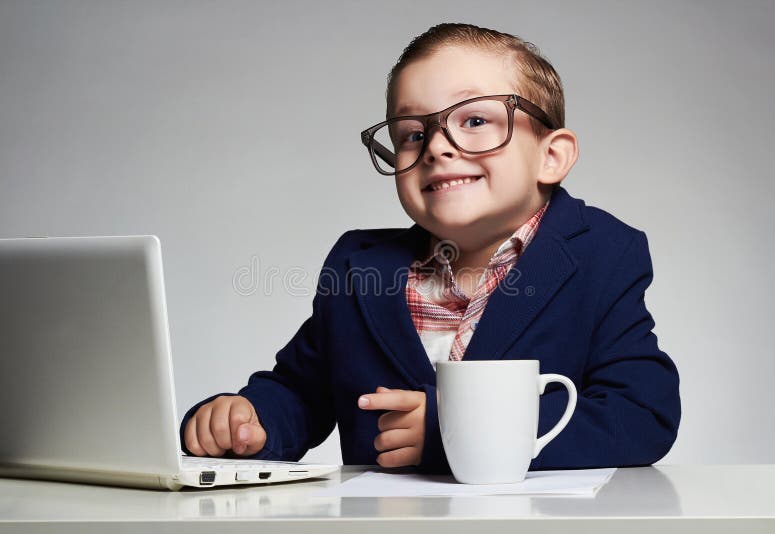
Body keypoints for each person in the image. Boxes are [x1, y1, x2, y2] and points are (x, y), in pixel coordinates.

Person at [180, 23, 681, 473]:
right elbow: (301, 389)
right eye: (413, 133)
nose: (437, 147)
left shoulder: (604, 253)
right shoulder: (359, 268)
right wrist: (248, 418)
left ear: (551, 157)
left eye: (475, 121)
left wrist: (454, 429)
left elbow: (640, 414)